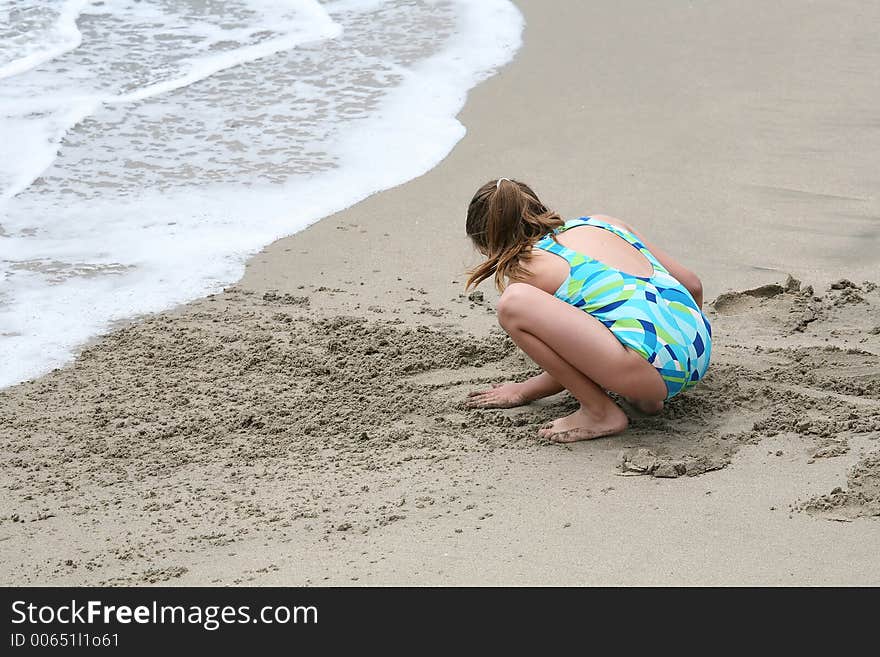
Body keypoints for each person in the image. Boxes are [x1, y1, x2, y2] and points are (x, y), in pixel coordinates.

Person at [464, 178, 712, 442]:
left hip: (654, 373)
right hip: (699, 350)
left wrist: (524, 391)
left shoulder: (529, 269)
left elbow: (577, 357)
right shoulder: (603, 222)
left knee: (513, 304)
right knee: (622, 308)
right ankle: (645, 397)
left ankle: (599, 412)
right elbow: (692, 286)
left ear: (488, 242)